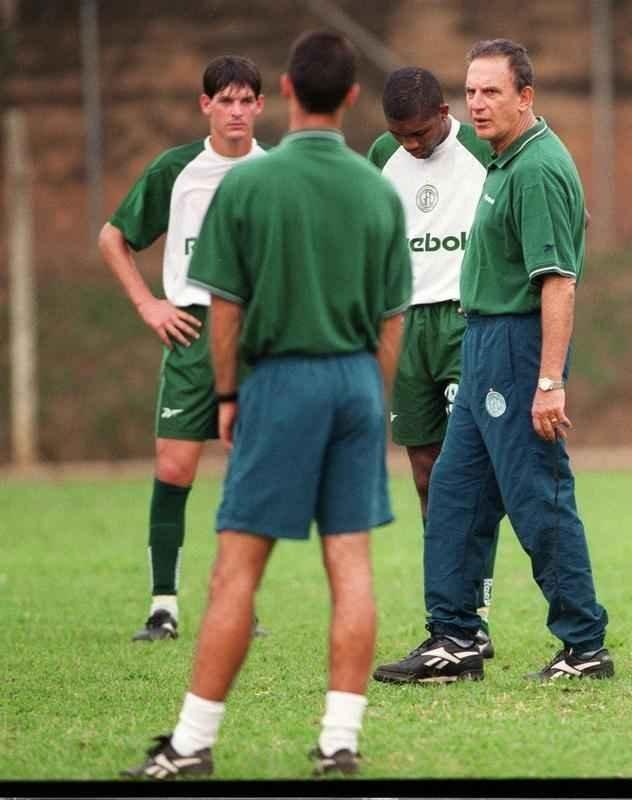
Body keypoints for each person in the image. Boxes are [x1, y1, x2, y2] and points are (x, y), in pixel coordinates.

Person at [123, 30, 411, 779]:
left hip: (279, 384)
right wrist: (366, 393)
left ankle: (190, 743)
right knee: (351, 568)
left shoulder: (250, 184)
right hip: (352, 384)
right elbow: (393, 318)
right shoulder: (378, 188)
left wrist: (227, 394)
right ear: (353, 97)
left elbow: (223, 307)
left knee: (235, 574)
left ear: (285, 90)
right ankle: (339, 741)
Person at [373, 38, 612, 684]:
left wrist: (549, 380)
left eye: (493, 92)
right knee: (453, 494)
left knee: (536, 492)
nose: (478, 104)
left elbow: (558, 282)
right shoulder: (506, 162)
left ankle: (584, 644)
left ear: (525, 97)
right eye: (472, 91)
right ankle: (455, 637)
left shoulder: (536, 169)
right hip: (480, 344)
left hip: (515, 347)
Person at [98, 56, 268, 642]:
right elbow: (113, 237)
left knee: (249, 473)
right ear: (206, 106)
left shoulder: (276, 173)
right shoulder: (178, 170)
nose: (237, 111)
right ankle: (163, 605)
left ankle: (241, 601)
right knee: (174, 467)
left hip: (256, 339)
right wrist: (149, 304)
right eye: (226, 101)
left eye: (247, 101)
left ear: (261, 108)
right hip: (193, 334)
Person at [367, 67, 501, 659]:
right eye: (401, 135)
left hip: (463, 317)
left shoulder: (482, 145)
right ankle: (449, 605)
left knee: (466, 468)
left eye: (420, 133)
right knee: (423, 472)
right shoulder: (381, 155)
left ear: (444, 112)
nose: (411, 145)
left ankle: (477, 612)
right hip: (405, 321)